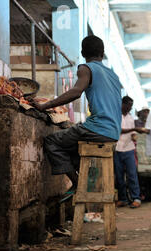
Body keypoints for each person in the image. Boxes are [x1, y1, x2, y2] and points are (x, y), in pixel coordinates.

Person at [31, 35, 122, 198]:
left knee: (51, 141)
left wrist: (45, 105)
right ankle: (87, 181)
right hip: (114, 133)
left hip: (97, 128)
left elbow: (76, 92)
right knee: (73, 148)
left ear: (82, 52)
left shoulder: (85, 68)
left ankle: (77, 183)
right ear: (102, 53)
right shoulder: (113, 76)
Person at [114, 96, 149, 208]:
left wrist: (135, 135)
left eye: (131, 106)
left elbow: (131, 133)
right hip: (118, 149)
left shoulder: (130, 117)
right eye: (128, 105)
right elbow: (118, 130)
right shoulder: (116, 115)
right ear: (123, 104)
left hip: (129, 149)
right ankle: (123, 198)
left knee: (132, 175)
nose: (130, 108)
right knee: (119, 176)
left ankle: (136, 198)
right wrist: (135, 130)